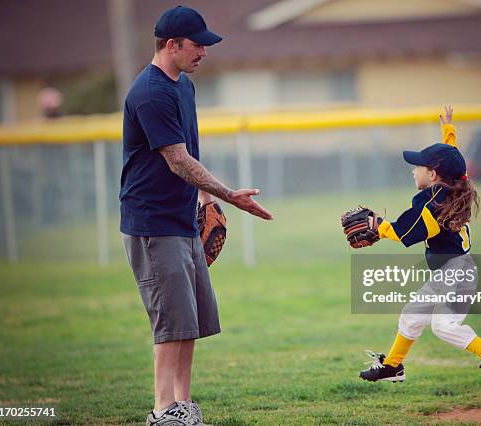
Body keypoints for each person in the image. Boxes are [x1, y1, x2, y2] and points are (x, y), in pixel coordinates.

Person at [119, 6, 273, 425]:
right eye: (197, 44)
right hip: (152, 224)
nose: (204, 51)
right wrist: (228, 195)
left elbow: (191, 154)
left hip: (181, 218)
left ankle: (183, 408)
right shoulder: (149, 93)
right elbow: (177, 160)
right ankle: (162, 411)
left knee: (190, 321)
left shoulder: (182, 87)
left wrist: (206, 200)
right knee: (170, 322)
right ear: (172, 45)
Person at [351, 106, 481, 390]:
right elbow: (454, 160)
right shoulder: (453, 184)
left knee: (444, 326)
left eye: (418, 166)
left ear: (434, 173)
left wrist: (377, 225)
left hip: (457, 273)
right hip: (450, 272)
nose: (414, 171)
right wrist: (448, 132)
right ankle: (392, 365)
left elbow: (403, 233)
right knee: (411, 316)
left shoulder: (431, 202)